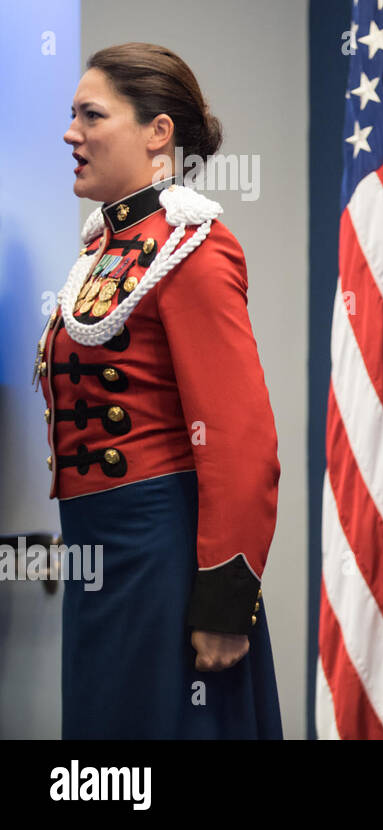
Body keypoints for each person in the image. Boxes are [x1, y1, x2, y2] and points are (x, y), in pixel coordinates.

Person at [36, 42, 282, 738]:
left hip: (163, 560)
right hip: (100, 557)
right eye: (71, 114)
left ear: (158, 134)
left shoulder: (192, 249)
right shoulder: (105, 249)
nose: (70, 133)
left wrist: (224, 603)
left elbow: (241, 442)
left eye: (91, 115)